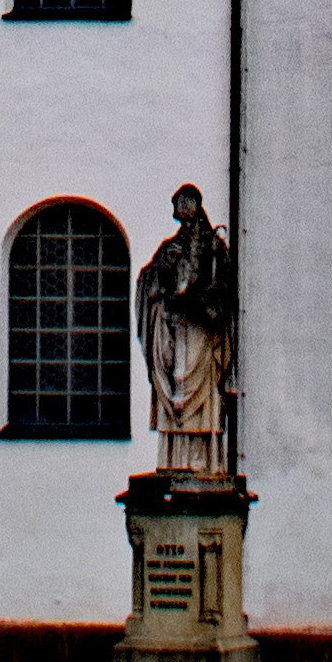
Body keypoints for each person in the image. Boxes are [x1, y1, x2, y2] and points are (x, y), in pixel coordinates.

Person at [137, 182, 236, 467]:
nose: (187, 219)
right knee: (175, 381)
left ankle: (203, 462)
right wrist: (162, 271)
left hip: (201, 331)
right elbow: (149, 284)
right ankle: (175, 461)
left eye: (191, 211)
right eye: (182, 214)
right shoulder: (170, 248)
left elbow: (223, 290)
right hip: (175, 328)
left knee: (203, 396)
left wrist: (202, 300)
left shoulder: (215, 247)